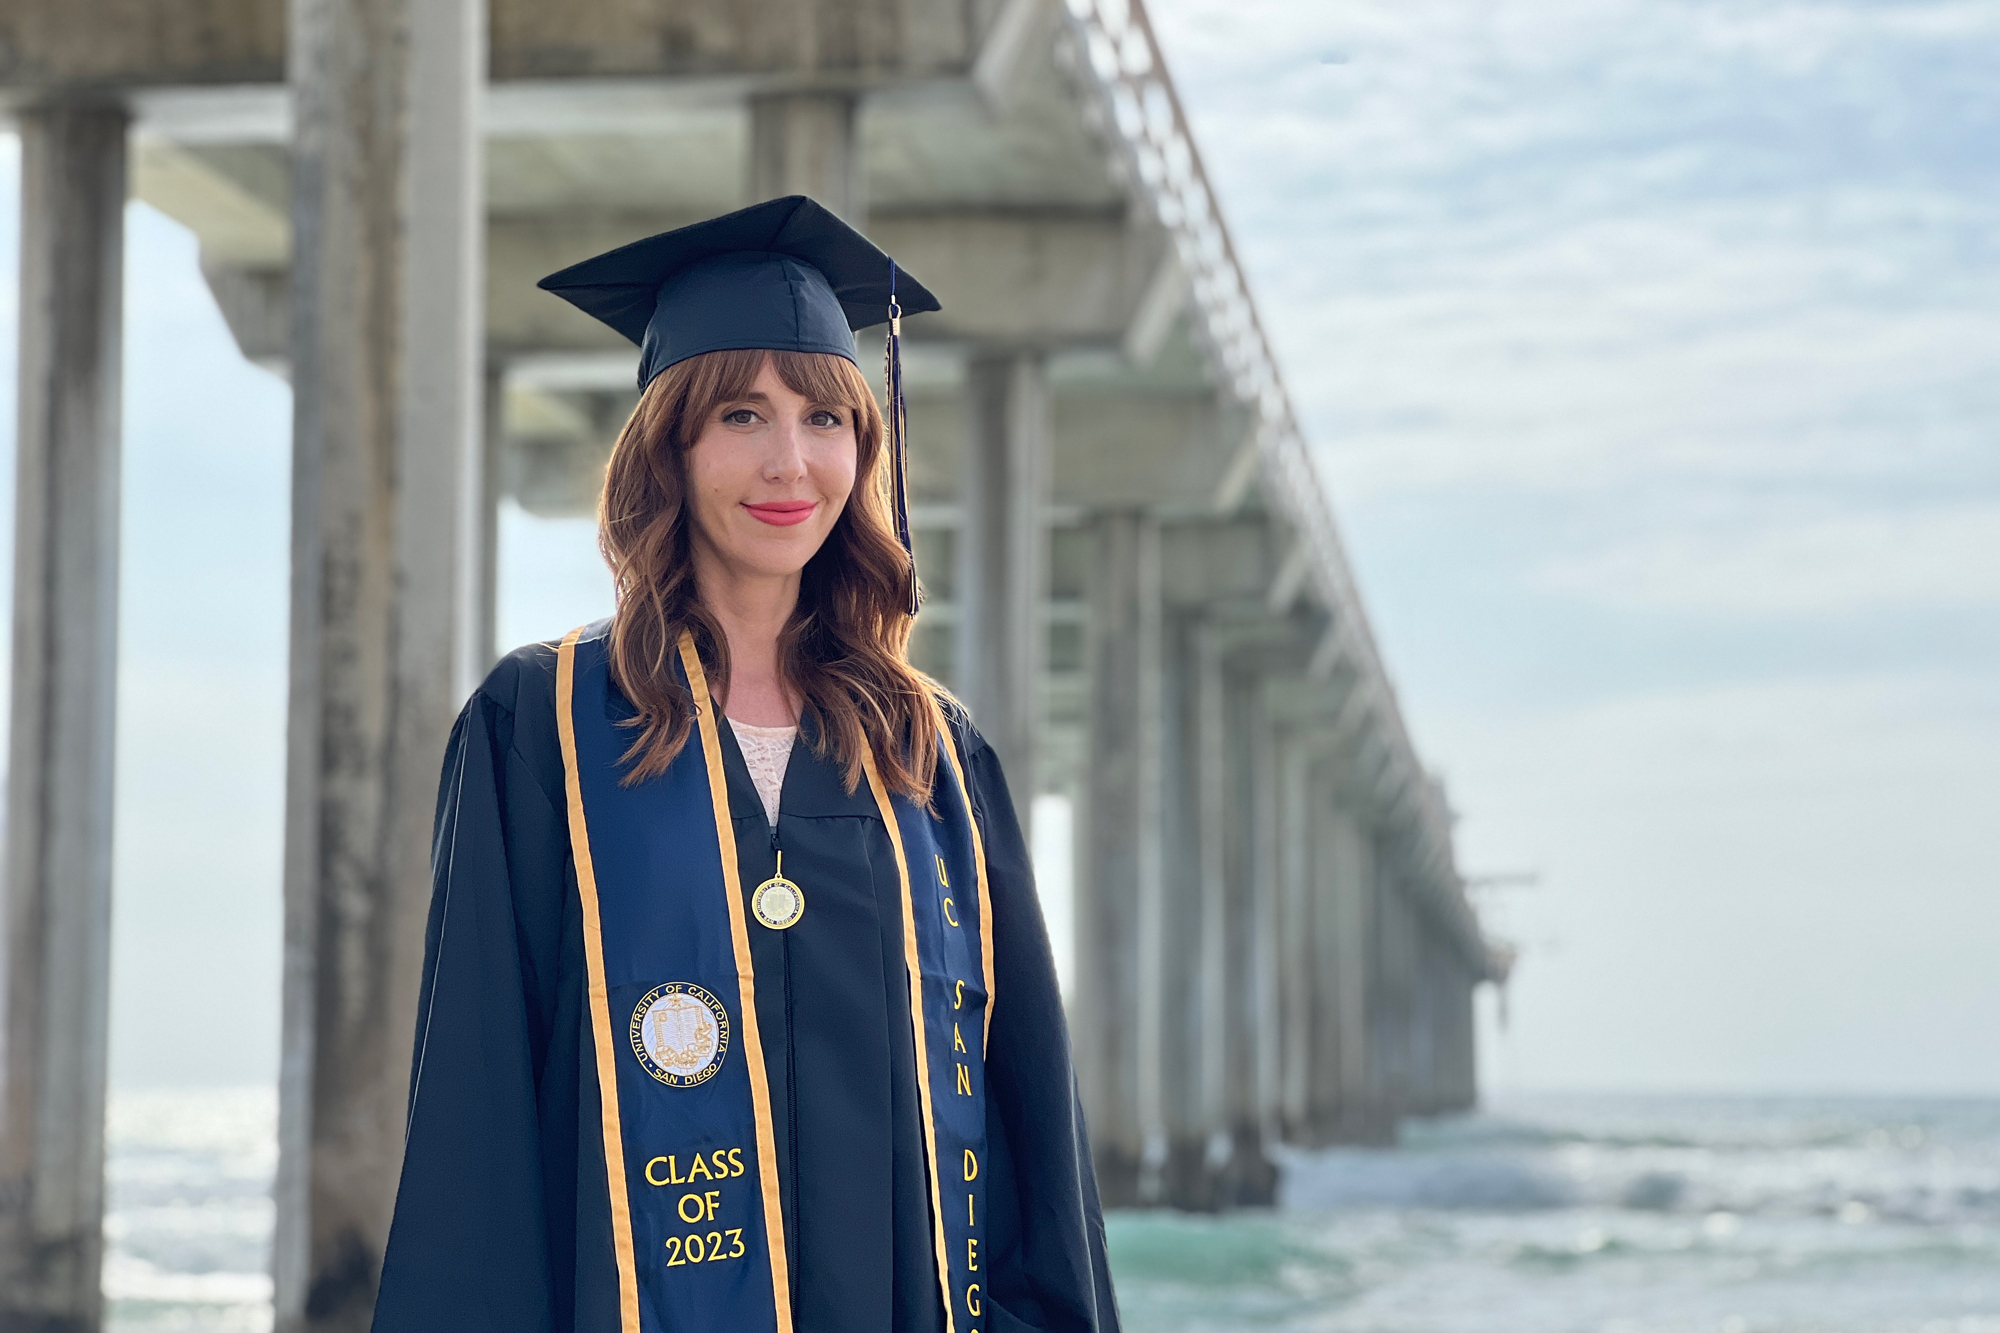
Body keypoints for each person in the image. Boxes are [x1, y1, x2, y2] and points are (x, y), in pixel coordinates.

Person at [371, 196, 1119, 1333]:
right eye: (739, 414)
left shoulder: (933, 757)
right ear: (669, 445)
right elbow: (477, 1128)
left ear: (863, 447)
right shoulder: (546, 725)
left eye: (824, 417)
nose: (788, 461)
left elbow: (1030, 1138)